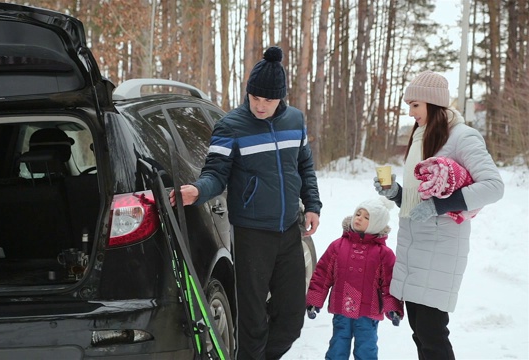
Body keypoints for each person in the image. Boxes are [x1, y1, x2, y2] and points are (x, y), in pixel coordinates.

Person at [170, 46, 322, 359]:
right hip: (253, 234)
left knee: (292, 320)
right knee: (252, 324)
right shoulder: (231, 126)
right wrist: (197, 191)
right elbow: (215, 173)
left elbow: (304, 165)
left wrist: (312, 205)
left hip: (289, 230)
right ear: (247, 92)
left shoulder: (295, 121)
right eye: (255, 97)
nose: (260, 105)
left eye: (268, 99)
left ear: (281, 97)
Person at [373, 70, 504, 359]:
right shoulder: (422, 135)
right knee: (420, 332)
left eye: (415, 105)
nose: (410, 112)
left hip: (441, 248)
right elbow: (420, 196)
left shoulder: (462, 136)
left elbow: (494, 186)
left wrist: (441, 206)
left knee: (433, 336)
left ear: (433, 103)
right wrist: (396, 193)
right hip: (413, 248)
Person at [306, 198, 404, 360]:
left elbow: (389, 283)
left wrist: (393, 307)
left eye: (367, 217)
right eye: (358, 214)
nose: (359, 218)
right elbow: (322, 275)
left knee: (366, 348)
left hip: (368, 312)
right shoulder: (338, 246)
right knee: (338, 345)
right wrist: (314, 300)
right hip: (341, 309)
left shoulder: (383, 254)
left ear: (377, 224)